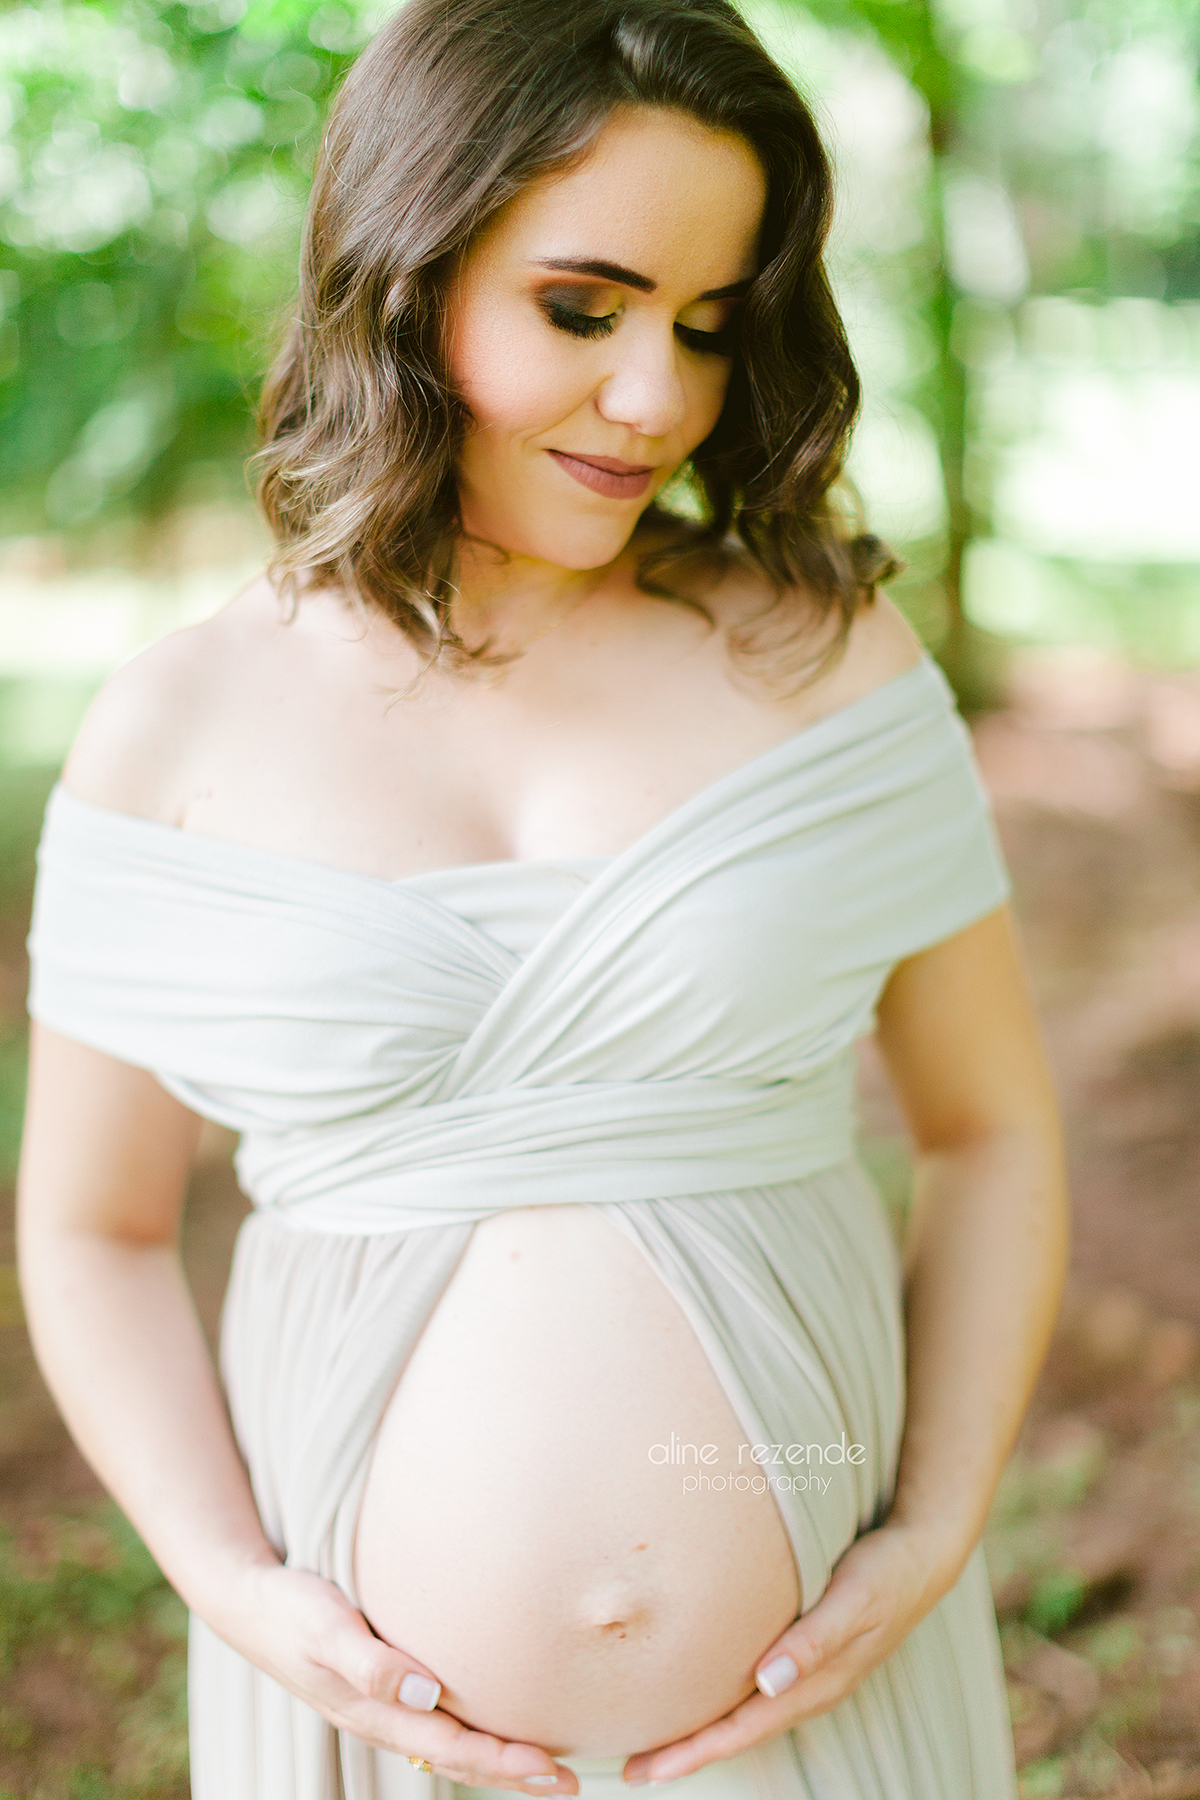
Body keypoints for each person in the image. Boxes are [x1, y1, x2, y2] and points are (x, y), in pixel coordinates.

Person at [17, 0, 1069, 1795]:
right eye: (583, 309)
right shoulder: (177, 723)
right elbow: (92, 1227)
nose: (657, 400)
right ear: (406, 273)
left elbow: (992, 1129)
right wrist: (232, 1587)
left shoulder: (825, 663)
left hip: (831, 1707)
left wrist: (937, 1526)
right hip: (360, 1713)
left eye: (709, 326)